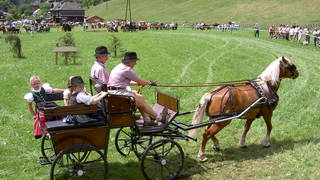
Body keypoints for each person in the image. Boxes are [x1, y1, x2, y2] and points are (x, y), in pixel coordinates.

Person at [108, 51, 167, 126]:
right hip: (117, 93)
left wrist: (138, 83)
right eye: (135, 61)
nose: (135, 63)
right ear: (130, 61)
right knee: (140, 101)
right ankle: (159, 118)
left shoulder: (120, 66)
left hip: (114, 91)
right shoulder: (127, 70)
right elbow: (140, 81)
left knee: (139, 97)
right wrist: (150, 83)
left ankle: (147, 119)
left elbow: (123, 82)